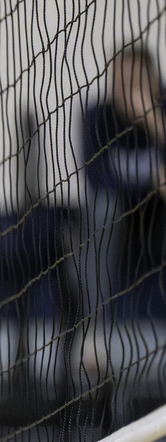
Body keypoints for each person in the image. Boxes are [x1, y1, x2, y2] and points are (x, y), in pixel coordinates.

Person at [82, 44, 166, 307]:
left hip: (159, 215)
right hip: (121, 214)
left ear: (155, 84)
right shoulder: (98, 117)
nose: (125, 92)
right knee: (103, 207)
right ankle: (96, 320)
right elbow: (96, 180)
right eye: (119, 84)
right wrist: (150, 181)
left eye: (134, 83)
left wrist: (155, 124)